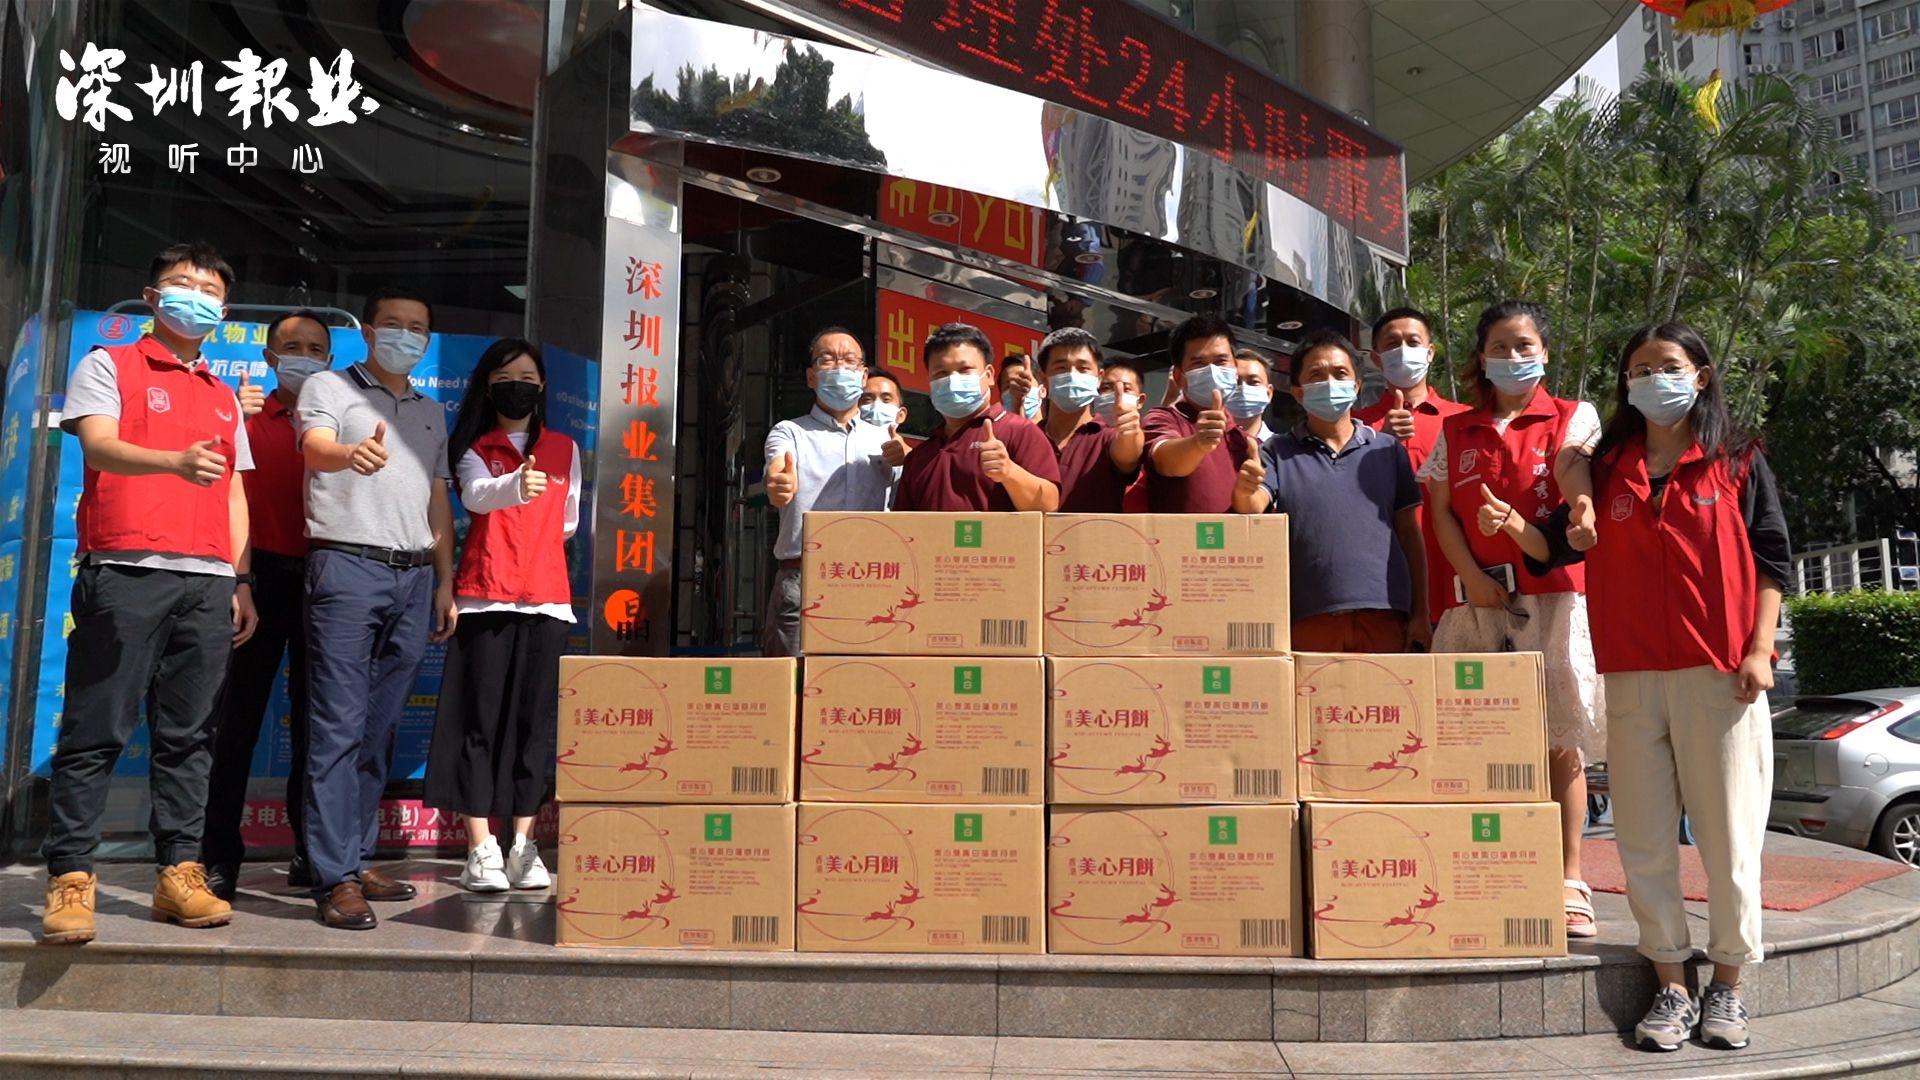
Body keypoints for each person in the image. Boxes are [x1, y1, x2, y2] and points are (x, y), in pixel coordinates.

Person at [1501, 323, 1787, 1053]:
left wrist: (1761, 648)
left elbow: (1773, 560)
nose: (1653, 378)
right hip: (1628, 674)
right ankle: (1671, 985)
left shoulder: (1736, 458)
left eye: (1668, 365)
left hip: (1720, 676)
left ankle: (1728, 987)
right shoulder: (1608, 465)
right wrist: (1523, 523)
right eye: (1639, 368)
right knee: (1644, 842)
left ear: (1701, 373)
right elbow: (1551, 541)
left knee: (1728, 841)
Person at [41, 241, 257, 944]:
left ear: (223, 311)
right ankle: (71, 877)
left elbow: (233, 487)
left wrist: (239, 576)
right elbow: (97, 445)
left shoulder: (224, 395)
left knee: (190, 736)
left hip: (207, 580)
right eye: (181, 284)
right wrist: (171, 461)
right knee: (95, 728)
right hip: (126, 569)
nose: (196, 296)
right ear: (153, 295)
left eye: (210, 289)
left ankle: (179, 874)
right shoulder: (110, 364)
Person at [1421, 299, 1604, 941]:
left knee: (1561, 744)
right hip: (1478, 604)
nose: (1513, 357)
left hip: (1555, 597)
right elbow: (1440, 511)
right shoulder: (1456, 429)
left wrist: (1580, 510)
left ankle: (1570, 878)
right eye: (1500, 347)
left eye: (1525, 346)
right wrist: (1470, 577)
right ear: (1480, 357)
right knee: (1481, 738)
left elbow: (1574, 474)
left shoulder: (1572, 417)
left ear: (1545, 353)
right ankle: (1490, 868)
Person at [297, 285, 457, 930]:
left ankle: (357, 856)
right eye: (392, 324)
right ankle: (331, 876)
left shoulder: (432, 410)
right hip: (346, 568)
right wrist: (350, 453)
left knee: (378, 726)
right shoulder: (331, 389)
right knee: (336, 726)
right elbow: (313, 447)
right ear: (367, 330)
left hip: (414, 576)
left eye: (416, 327)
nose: (404, 335)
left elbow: (438, 498)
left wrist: (444, 581)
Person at [425, 339, 578, 894]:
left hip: (546, 601)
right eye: (508, 374)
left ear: (541, 387)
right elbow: (476, 497)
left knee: (532, 727)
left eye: (530, 375)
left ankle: (523, 844)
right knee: (479, 723)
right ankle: (480, 847)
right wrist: (516, 486)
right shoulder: (470, 445)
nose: (521, 383)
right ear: (488, 385)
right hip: (485, 598)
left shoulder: (564, 448)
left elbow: (566, 523)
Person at [201, 310, 333, 902]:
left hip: (328, 582)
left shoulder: (343, 420)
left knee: (322, 728)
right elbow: (217, 498)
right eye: (291, 347)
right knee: (235, 725)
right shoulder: (240, 414)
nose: (303, 355)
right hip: (256, 582)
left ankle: (315, 854)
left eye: (315, 347)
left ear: (329, 359)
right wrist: (240, 578)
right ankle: (216, 857)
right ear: (270, 358)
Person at [1234, 330, 1429, 652]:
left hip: (1384, 616)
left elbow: (1410, 535)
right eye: (1316, 375)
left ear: (1356, 386)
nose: (1329, 383)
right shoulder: (1276, 451)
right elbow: (1253, 505)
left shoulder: (1387, 450)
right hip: (1306, 620)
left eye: (1340, 374)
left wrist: (1421, 614)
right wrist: (1244, 489)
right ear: (1297, 392)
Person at [761, 329, 901, 657]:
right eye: (828, 360)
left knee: (860, 682)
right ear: (811, 377)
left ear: (864, 375)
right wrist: (778, 485)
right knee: (791, 684)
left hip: (871, 581)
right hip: (802, 577)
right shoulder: (790, 432)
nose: (840, 367)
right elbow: (778, 469)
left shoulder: (885, 439)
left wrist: (905, 459)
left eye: (850, 361)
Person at [1355, 307, 1471, 629]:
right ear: (1376, 358)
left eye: (1413, 341)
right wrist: (1381, 442)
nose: (1403, 350)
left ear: (1430, 353)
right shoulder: (1356, 427)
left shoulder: (1464, 422)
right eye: (1392, 344)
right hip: (1380, 585)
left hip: (1455, 583)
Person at [893, 322, 1060, 512]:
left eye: (965, 370)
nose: (953, 380)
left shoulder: (1019, 432)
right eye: (941, 373)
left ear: (988, 375)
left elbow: (1049, 504)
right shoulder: (920, 456)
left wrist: (1009, 472)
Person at [1142, 314, 1255, 514]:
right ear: (1178, 376)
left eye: (1221, 361)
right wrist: (1198, 443)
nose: (1212, 371)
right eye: (1198, 363)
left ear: (1235, 369)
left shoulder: (1245, 441)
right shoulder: (1163, 419)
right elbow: (1165, 461)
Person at [1036, 327, 1142, 512]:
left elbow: (1128, 456)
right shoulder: (1029, 438)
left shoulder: (1108, 438)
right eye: (1061, 368)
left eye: (1083, 368)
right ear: (1043, 378)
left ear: (1099, 378)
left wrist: (1130, 432)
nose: (1073, 375)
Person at [1227, 349, 1275, 442]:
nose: (1243, 389)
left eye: (1254, 382)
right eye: (1236, 382)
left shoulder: (1281, 451)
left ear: (1269, 393)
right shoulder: (1202, 442)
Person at [999, 351, 1043, 422]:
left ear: (1042, 390)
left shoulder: (1056, 431)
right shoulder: (995, 432)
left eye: (1023, 382)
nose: (1016, 390)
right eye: (1008, 386)